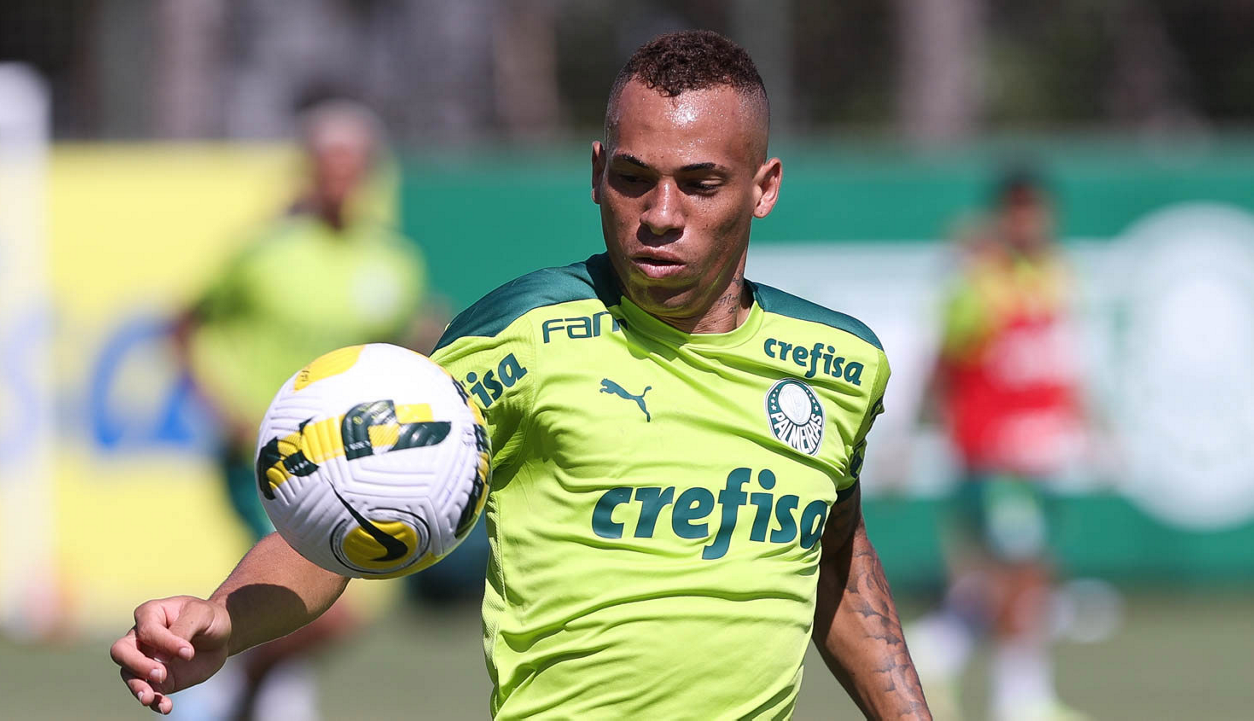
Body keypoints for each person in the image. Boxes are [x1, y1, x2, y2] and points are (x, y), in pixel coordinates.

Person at [113, 31, 930, 719]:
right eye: (633, 178)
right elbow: (348, 512)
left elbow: (834, 551)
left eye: (700, 183)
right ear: (597, 172)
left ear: (763, 188)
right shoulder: (520, 333)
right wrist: (223, 617)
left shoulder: (842, 364)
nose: (661, 214)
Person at [170, 99, 440, 720]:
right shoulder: (264, 253)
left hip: (342, 459)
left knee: (326, 609)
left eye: (352, 164)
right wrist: (220, 407)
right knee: (317, 604)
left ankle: (243, 694)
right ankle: (234, 691)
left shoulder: (394, 261)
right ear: (309, 168)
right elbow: (184, 324)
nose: (339, 178)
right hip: (264, 455)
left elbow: (404, 347)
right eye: (328, 163)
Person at [909, 170, 1087, 721]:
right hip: (994, 455)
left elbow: (1060, 360)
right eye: (1017, 210)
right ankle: (1020, 700)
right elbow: (944, 363)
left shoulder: (1057, 275)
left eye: (1035, 209)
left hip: (1043, 453)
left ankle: (934, 651)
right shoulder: (978, 283)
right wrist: (916, 430)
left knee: (1024, 575)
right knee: (1019, 570)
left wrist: (1087, 423)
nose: (1028, 222)